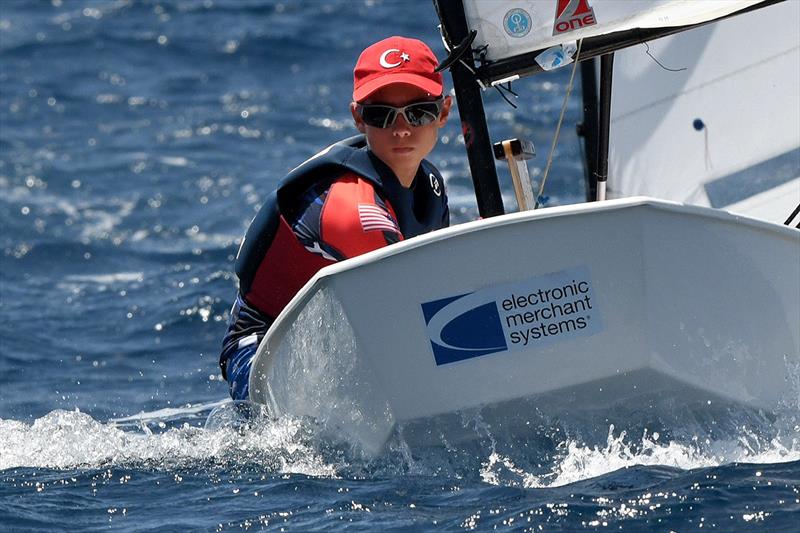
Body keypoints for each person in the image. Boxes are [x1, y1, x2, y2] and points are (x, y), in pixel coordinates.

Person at [219, 36, 453, 400]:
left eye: (419, 111)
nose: (402, 128)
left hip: (337, 337)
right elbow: (410, 313)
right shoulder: (350, 207)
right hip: (260, 354)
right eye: (381, 114)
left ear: (444, 111)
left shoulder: (430, 184)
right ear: (358, 118)